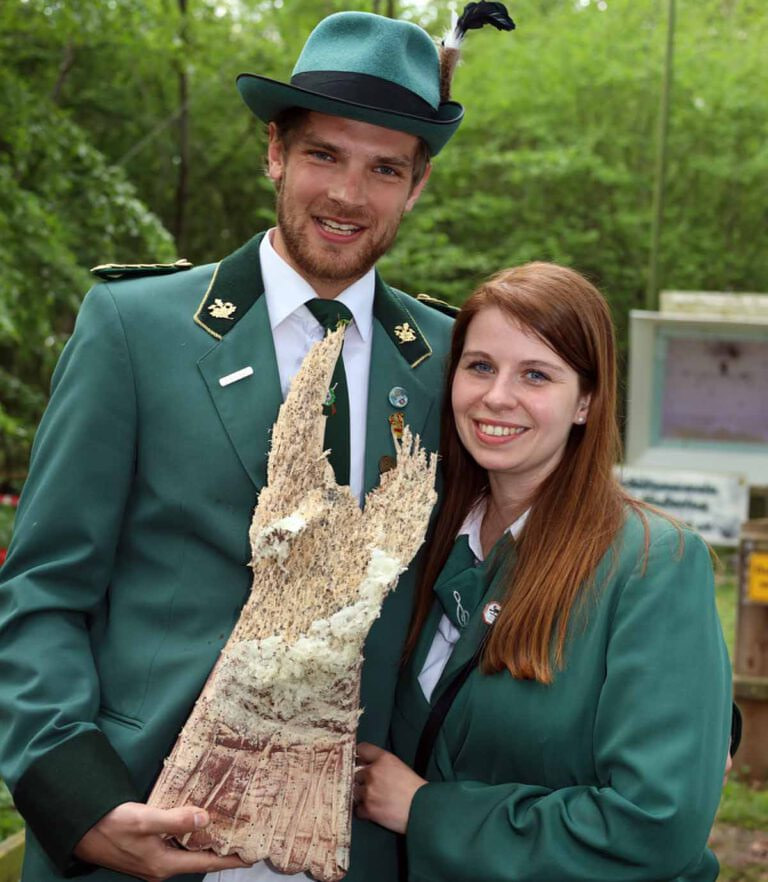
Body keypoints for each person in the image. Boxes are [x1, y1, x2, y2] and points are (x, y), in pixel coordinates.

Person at [0, 11, 471, 882]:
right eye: (324, 155)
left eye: (384, 169)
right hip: (142, 822)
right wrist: (81, 802)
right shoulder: (137, 331)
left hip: (355, 842)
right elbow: (40, 594)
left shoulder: (451, 363)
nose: (346, 196)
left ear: (418, 186)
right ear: (274, 154)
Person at [355, 262, 733, 881]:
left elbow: (655, 823)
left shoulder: (651, 561)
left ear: (585, 400)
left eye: (536, 375)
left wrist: (427, 811)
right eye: (480, 367)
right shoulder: (416, 535)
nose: (497, 396)